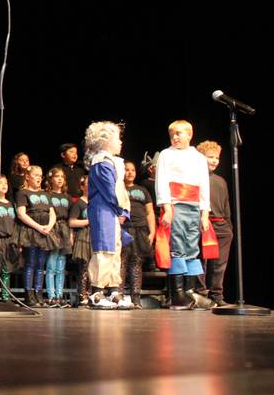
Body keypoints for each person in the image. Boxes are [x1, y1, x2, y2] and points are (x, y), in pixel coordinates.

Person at [155, 120, 211, 310]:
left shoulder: (199, 158)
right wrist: (167, 208)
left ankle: (190, 291)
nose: (175, 137)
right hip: (176, 204)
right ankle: (177, 294)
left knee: (192, 246)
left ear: (190, 134)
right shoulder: (166, 154)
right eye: (172, 134)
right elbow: (161, 182)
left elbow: (204, 185)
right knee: (178, 244)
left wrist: (204, 213)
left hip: (194, 206)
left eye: (179, 133)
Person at [84, 121, 132, 310]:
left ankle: (113, 291)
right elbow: (110, 190)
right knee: (104, 250)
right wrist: (121, 209)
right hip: (103, 210)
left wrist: (123, 211)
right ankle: (96, 293)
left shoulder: (111, 161)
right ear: (105, 141)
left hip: (111, 211)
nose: (120, 142)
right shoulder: (102, 162)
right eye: (117, 138)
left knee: (114, 250)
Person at [196, 140, 232, 307]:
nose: (214, 161)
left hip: (222, 226)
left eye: (216, 158)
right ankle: (201, 294)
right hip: (203, 224)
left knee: (219, 265)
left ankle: (217, 295)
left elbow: (226, 206)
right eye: (210, 157)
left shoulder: (221, 181)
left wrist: (229, 227)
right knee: (202, 261)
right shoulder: (195, 179)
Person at [13, 165, 55, 307]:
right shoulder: (22, 193)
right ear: (28, 177)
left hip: (45, 231)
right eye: (36, 175)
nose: (39, 178)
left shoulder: (45, 194)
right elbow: (21, 214)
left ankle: (38, 293)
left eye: (40, 175)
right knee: (30, 262)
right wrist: (38, 227)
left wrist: (49, 226)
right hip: (31, 231)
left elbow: (52, 212)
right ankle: (29, 294)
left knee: (40, 264)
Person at [121, 160, 156, 309]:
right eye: (127, 170)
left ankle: (136, 299)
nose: (130, 173)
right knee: (121, 263)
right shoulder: (118, 189)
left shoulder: (142, 190)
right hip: (124, 228)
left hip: (140, 229)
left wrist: (152, 232)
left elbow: (149, 213)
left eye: (132, 170)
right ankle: (119, 296)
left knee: (136, 263)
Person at [44, 167, 72, 308]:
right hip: (53, 228)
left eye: (62, 177)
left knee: (62, 264)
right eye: (57, 176)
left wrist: (71, 234)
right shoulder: (47, 195)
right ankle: (51, 296)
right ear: (51, 179)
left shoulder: (67, 197)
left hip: (65, 229)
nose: (60, 179)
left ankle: (60, 295)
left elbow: (71, 217)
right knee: (51, 263)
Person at [0, 175, 19, 301]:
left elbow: (15, 223)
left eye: (6, 183)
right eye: (0, 183)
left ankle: (6, 296)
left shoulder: (11, 204)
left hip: (10, 240)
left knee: (7, 269)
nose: (4, 185)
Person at [69, 175, 92, 305]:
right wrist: (89, 221)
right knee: (84, 267)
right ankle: (82, 295)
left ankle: (91, 295)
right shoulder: (79, 203)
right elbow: (72, 222)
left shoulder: (96, 202)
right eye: (88, 184)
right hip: (84, 236)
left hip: (94, 237)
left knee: (93, 268)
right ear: (82, 187)